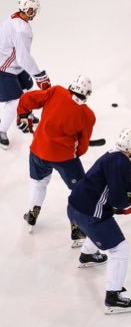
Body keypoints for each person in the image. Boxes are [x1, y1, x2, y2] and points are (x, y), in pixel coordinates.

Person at [67, 128, 131, 315]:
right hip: (90, 215)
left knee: (102, 223)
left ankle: (88, 255)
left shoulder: (111, 155)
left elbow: (126, 187)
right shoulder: (124, 164)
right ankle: (113, 297)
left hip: (74, 208)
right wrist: (127, 205)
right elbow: (118, 200)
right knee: (121, 248)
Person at [17, 75, 95, 246]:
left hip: (38, 150)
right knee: (78, 190)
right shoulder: (88, 114)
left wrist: (23, 114)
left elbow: (27, 98)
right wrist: (73, 154)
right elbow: (83, 145)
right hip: (64, 158)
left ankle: (32, 213)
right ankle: (77, 227)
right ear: (87, 93)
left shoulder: (57, 92)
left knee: (39, 183)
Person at [0, 0, 51, 149]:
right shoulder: (20, 29)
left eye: (34, 10)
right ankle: (1, 130)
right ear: (24, 9)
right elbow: (23, 58)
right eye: (30, 10)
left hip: (14, 65)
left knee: (27, 89)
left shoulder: (15, 18)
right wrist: (39, 75)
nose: (33, 13)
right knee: (14, 101)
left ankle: (24, 114)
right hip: (4, 68)